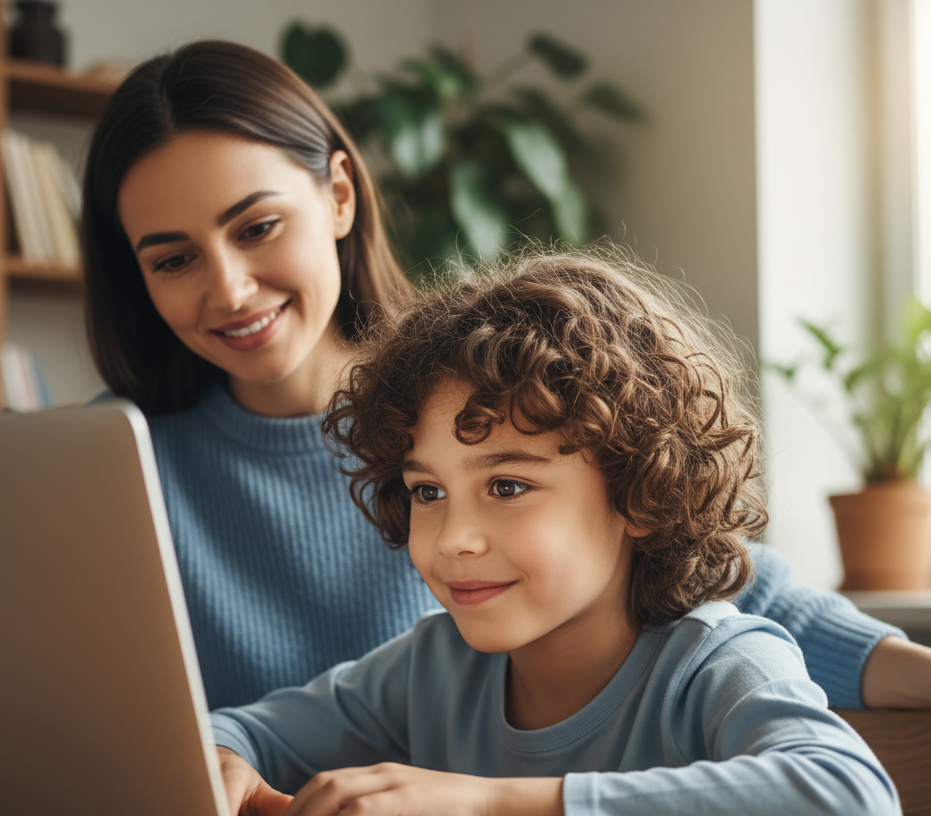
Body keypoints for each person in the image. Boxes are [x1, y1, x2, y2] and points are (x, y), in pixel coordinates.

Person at [82, 39, 931, 713]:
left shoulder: (472, 401)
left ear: (338, 195)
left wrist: (904, 667)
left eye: (258, 226)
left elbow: (714, 572)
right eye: (172, 259)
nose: (228, 288)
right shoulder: (106, 469)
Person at [211, 250, 903, 816]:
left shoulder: (715, 662)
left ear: (640, 493)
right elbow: (237, 732)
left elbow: (854, 811)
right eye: (428, 492)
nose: (453, 539)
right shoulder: (429, 668)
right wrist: (221, 764)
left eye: (507, 487)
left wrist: (491, 810)